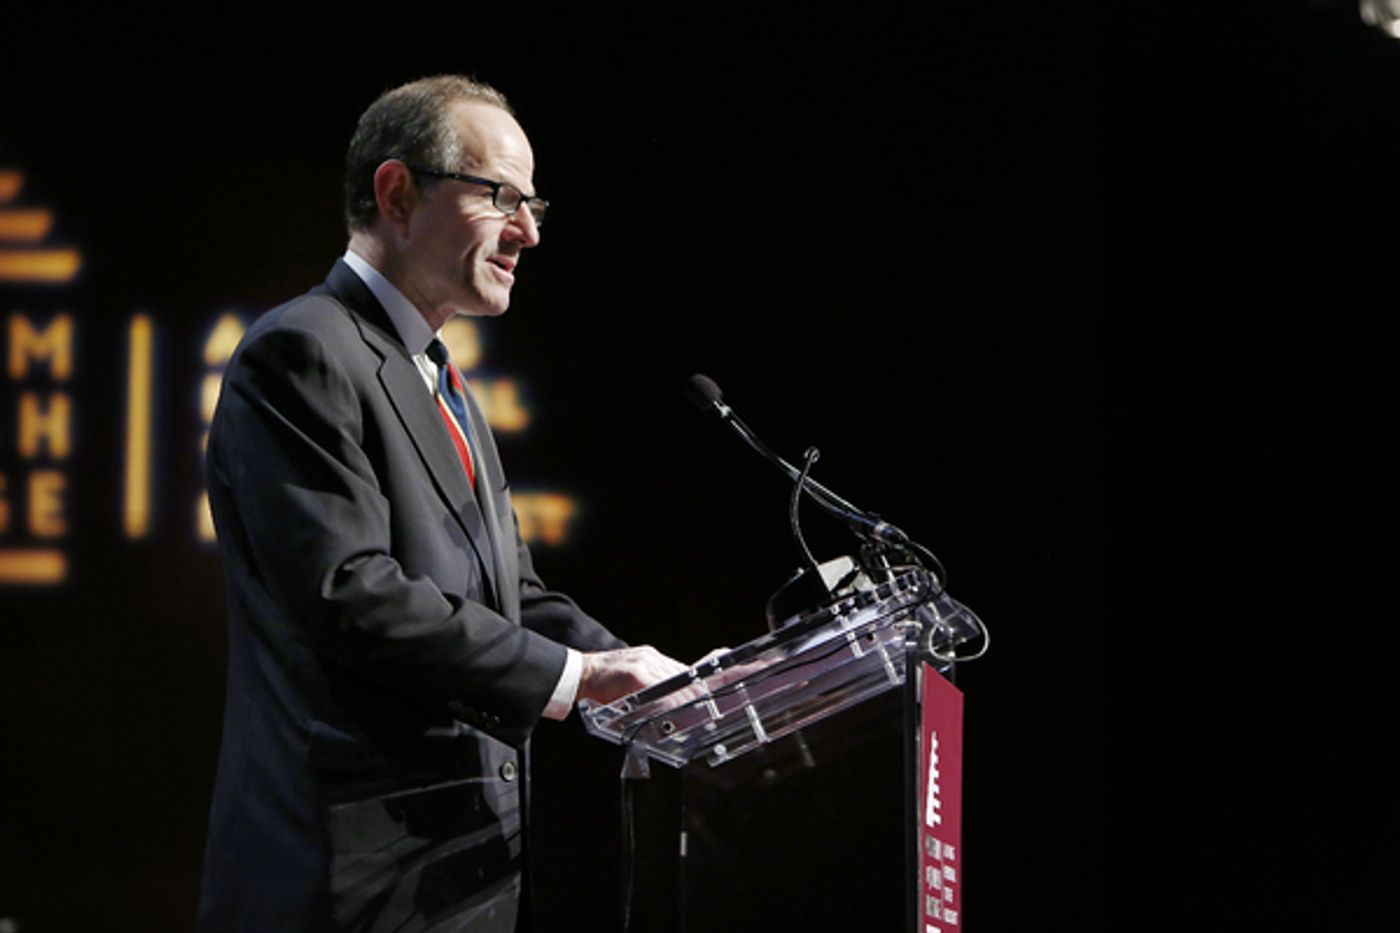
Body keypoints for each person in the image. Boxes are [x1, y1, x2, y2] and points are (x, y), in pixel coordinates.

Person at [197, 75, 691, 933]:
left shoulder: (446, 385)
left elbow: (514, 596)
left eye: (534, 204)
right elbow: (350, 590)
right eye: (501, 196)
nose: (528, 232)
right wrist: (574, 680)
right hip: (344, 882)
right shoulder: (300, 352)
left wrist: (662, 683)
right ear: (398, 192)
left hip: (452, 874)